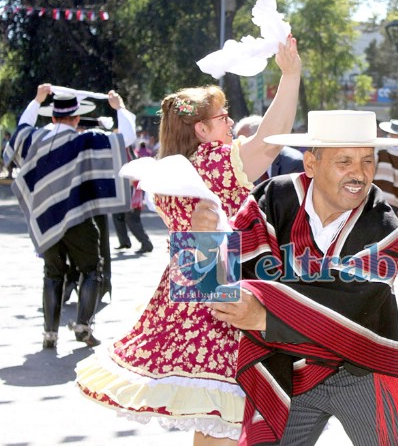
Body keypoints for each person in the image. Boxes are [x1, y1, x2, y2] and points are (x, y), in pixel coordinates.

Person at [75, 38, 302, 446]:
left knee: (212, 417)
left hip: (185, 292)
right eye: (223, 117)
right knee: (225, 417)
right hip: (219, 291)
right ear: (202, 129)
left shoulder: (171, 171)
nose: (230, 123)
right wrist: (290, 76)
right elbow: (270, 140)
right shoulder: (213, 161)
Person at [192, 110, 398, 445]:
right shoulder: (271, 200)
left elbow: (347, 304)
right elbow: (214, 291)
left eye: (367, 161)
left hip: (359, 368)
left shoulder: (384, 228)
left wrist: (265, 313)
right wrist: (201, 244)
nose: (359, 174)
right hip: (286, 372)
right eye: (344, 161)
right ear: (311, 164)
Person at [3, 86, 137, 348]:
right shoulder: (85, 139)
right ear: (76, 118)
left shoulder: (35, 139)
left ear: (52, 117)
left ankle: (49, 334)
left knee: (52, 273)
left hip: (47, 219)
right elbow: (127, 138)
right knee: (91, 269)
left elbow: (21, 127)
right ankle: (83, 328)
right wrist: (119, 108)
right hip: (78, 218)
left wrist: (37, 99)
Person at [234, 114, 304, 184]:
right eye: (238, 142)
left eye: (244, 142)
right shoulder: (239, 164)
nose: (239, 147)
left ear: (261, 139)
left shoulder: (293, 163)